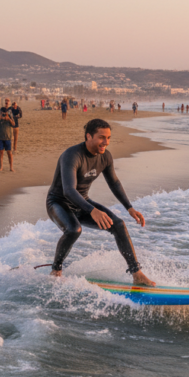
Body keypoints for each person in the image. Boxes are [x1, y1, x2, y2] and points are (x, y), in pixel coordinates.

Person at [46, 119, 155, 286]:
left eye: (109, 137)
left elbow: (114, 183)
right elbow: (68, 190)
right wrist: (92, 210)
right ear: (88, 136)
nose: (106, 142)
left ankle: (136, 273)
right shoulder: (72, 155)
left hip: (82, 202)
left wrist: (129, 208)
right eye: (102, 137)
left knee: (118, 224)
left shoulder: (105, 156)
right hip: (58, 203)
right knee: (74, 229)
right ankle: (56, 271)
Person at [0, 106, 15, 172]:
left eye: (5, 113)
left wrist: (9, 119)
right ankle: (1, 167)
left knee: (9, 152)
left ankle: (11, 167)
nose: (3, 114)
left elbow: (14, 124)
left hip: (8, 137)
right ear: (0, 112)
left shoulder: (10, 117)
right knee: (1, 152)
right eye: (2, 112)